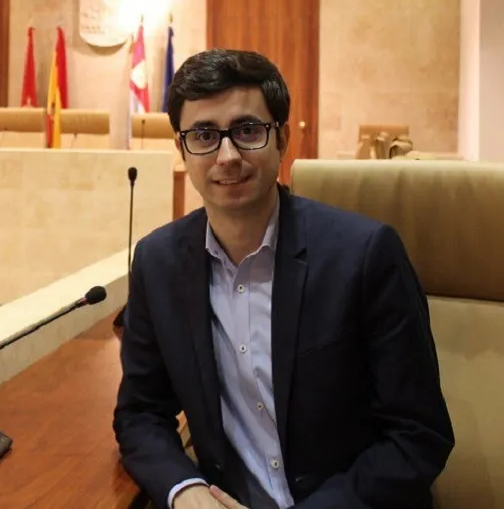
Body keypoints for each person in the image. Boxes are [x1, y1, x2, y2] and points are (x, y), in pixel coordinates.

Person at [112, 49, 454, 509]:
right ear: (181, 149)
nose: (227, 156)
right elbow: (140, 413)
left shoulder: (366, 255)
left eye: (248, 131)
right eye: (204, 135)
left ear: (283, 139)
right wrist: (184, 491)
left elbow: (418, 436)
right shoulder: (158, 263)